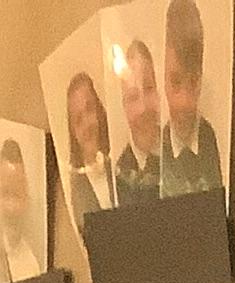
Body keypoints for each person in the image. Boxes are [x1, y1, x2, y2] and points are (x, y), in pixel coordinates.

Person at [159, 0, 221, 201]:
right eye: (176, 82)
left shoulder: (215, 144)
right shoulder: (155, 154)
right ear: (163, 80)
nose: (184, 102)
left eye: (193, 82)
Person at [112, 39, 162, 203]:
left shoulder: (182, 158)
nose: (143, 107)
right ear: (124, 106)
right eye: (133, 97)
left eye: (149, 89)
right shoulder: (117, 176)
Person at [63, 74, 114, 223]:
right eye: (78, 119)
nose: (87, 124)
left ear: (99, 110)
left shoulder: (123, 162)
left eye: (90, 109)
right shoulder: (75, 193)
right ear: (73, 133)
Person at [0, 142, 41, 283]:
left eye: (16, 195)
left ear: (26, 200)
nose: (10, 207)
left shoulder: (30, 266)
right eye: (5, 193)